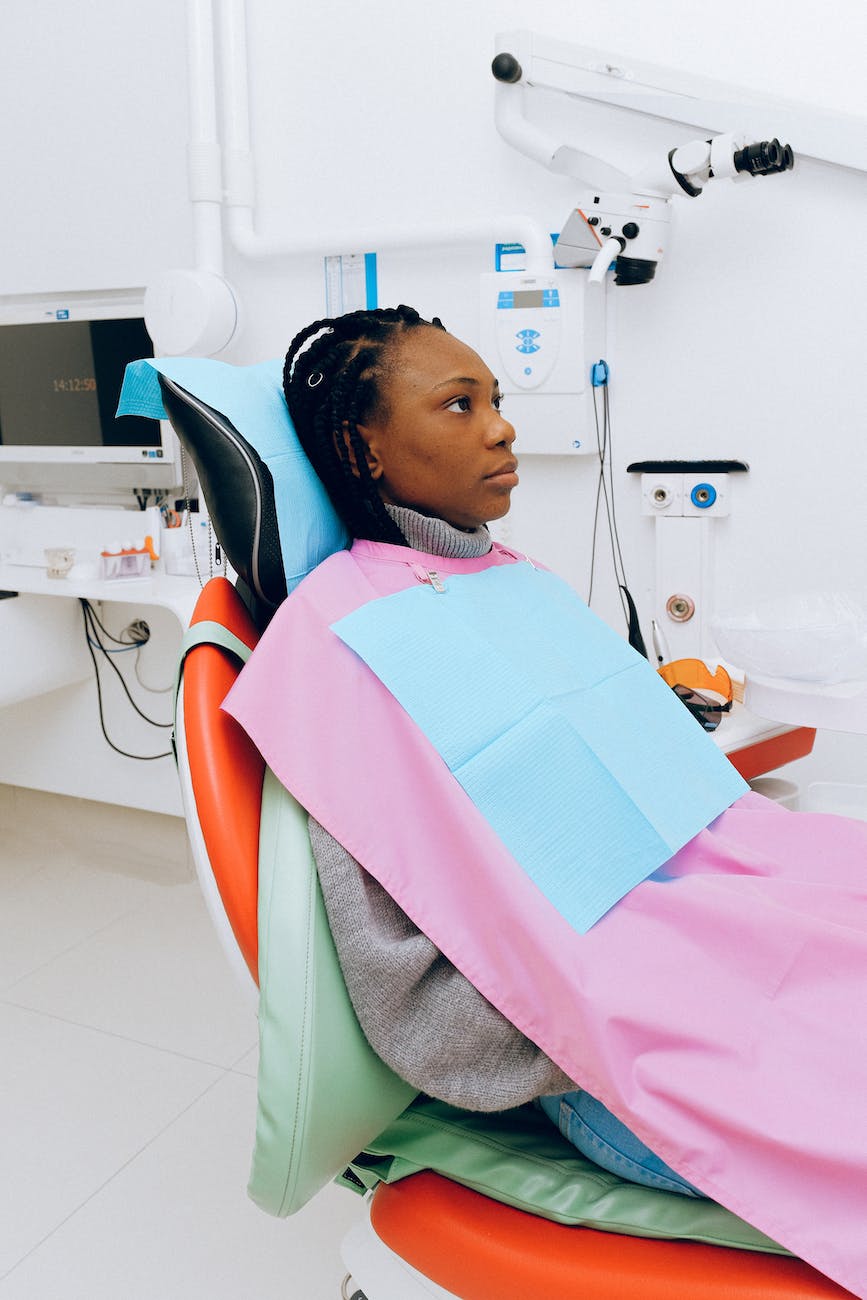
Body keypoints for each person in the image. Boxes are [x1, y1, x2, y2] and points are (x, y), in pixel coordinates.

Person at [224, 306, 867, 1296]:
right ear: (364, 445)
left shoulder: (518, 583)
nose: (501, 427)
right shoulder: (338, 633)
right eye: (457, 403)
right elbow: (403, 972)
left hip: (719, 920)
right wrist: (602, 1002)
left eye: (496, 399)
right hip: (604, 1045)